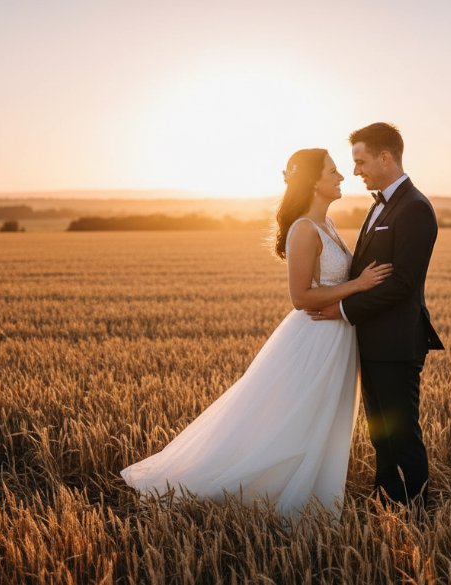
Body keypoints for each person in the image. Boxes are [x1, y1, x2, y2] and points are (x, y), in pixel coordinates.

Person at [120, 148, 393, 518]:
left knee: (321, 420)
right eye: (333, 171)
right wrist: (358, 285)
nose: (342, 176)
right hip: (313, 339)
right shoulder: (303, 229)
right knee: (294, 420)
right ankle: (263, 495)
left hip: (336, 338)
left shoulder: (327, 225)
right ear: (313, 181)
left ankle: (310, 495)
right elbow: (300, 297)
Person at [309, 122, 444, 507]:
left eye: (361, 161)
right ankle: (386, 501)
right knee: (381, 434)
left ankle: (418, 510)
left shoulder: (415, 208)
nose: (356, 171)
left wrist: (342, 308)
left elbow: (402, 284)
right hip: (372, 341)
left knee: (402, 434)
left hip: (397, 343)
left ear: (386, 157)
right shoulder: (380, 204)